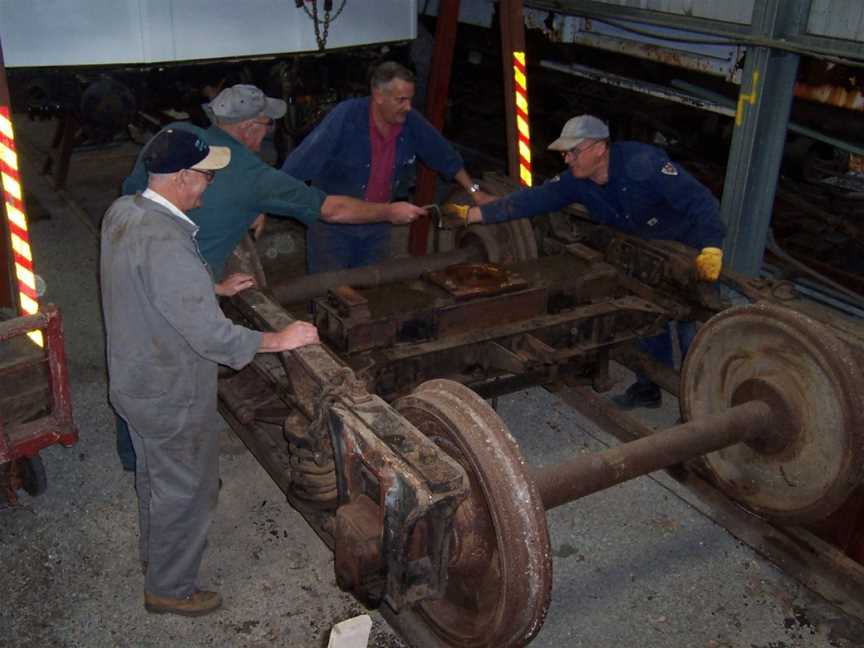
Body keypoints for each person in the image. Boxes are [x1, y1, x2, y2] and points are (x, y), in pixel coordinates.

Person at [116, 83, 426, 470]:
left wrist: (215, 275)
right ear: (248, 128)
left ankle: (132, 454)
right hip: (179, 302)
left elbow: (132, 195)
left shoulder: (172, 141)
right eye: (266, 124)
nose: (268, 133)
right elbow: (332, 209)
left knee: (134, 359)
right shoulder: (253, 175)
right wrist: (388, 212)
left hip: (131, 269)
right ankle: (165, 471)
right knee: (171, 374)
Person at [101, 129, 322, 616]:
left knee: (154, 478)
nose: (209, 185)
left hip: (134, 380)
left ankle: (155, 558)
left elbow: (148, 281)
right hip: (169, 391)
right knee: (188, 490)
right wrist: (278, 340)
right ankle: (170, 588)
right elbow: (212, 338)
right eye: (205, 176)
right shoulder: (168, 244)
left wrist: (211, 288)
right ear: (181, 178)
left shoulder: (126, 212)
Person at [447, 114, 725, 410]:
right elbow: (531, 201)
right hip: (644, 252)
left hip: (688, 251)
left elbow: (700, 201)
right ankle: (649, 388)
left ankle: (702, 406)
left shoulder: (644, 163)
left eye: (573, 152)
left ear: (599, 148)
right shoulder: (577, 182)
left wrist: (711, 247)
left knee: (691, 328)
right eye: (565, 152)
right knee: (649, 321)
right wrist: (472, 216)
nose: (566, 159)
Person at [281, 61, 494, 274]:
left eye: (410, 99)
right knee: (328, 293)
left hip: (378, 225)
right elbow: (300, 163)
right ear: (379, 96)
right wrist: (264, 202)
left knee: (372, 291)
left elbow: (443, 154)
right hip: (333, 229)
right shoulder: (346, 117)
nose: (408, 107)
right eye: (401, 100)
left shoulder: (409, 120)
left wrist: (475, 193)